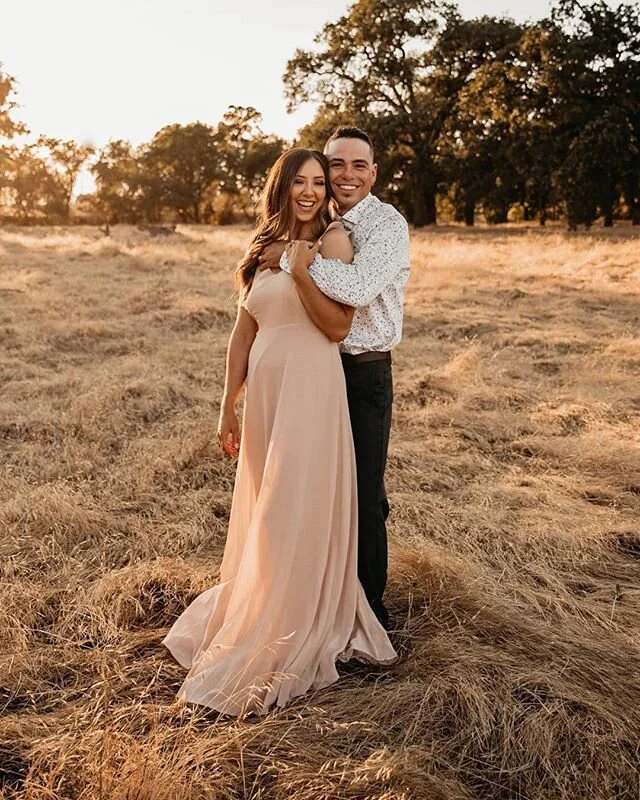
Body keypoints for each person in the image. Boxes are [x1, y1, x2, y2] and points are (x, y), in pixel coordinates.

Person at [161, 148, 397, 718]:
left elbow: (340, 325)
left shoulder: (334, 243)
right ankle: (262, 594)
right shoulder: (261, 245)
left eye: (321, 181)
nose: (313, 191)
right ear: (283, 185)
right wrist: (228, 404)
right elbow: (244, 331)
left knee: (291, 503)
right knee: (266, 499)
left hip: (310, 389)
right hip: (266, 396)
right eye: (302, 181)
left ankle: (295, 613)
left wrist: (301, 269)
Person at [259, 127, 410, 631]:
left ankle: (369, 614)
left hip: (363, 372)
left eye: (357, 166)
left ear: (374, 172)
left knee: (364, 495)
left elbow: (360, 287)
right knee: (317, 489)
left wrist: (291, 259)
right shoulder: (320, 222)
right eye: (335, 167)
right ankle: (317, 601)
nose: (346, 176)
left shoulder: (387, 225)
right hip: (313, 369)